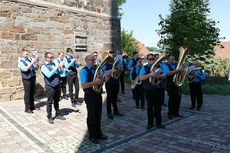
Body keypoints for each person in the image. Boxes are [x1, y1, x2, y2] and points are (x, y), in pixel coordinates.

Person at [79, 55, 108, 144]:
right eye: (92, 60)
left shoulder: (96, 69)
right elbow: (83, 85)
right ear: (86, 61)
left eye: (94, 60)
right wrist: (94, 82)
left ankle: (98, 133)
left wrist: (104, 79)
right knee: (92, 116)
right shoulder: (84, 71)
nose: (94, 62)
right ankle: (92, 135)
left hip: (97, 94)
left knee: (98, 115)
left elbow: (101, 79)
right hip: (90, 96)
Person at [140, 54, 165, 130]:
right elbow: (141, 78)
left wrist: (158, 76)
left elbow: (164, 75)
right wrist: (149, 75)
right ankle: (150, 124)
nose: (151, 60)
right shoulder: (144, 68)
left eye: (153, 59)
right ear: (147, 60)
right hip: (149, 90)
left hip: (158, 89)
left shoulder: (159, 66)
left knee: (158, 107)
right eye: (150, 59)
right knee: (150, 107)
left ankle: (158, 123)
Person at [41, 52, 66, 124]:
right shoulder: (43, 66)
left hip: (57, 84)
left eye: (52, 57)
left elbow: (60, 72)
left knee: (57, 100)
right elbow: (48, 75)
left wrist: (61, 67)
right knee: (49, 101)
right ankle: (49, 116)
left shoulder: (54, 64)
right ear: (46, 58)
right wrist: (56, 68)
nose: (52, 59)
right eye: (50, 57)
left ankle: (57, 113)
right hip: (50, 85)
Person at [18, 48, 39, 113]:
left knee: (32, 92)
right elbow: (25, 69)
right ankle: (27, 108)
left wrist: (37, 62)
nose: (28, 54)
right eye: (26, 54)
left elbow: (36, 69)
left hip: (32, 77)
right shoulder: (20, 62)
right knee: (27, 93)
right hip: (26, 79)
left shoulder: (29, 60)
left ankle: (32, 106)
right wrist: (32, 62)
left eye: (28, 53)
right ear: (22, 54)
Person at [162, 55, 184, 120]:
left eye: (174, 59)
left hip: (177, 84)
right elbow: (167, 73)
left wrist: (182, 72)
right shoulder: (165, 65)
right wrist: (177, 71)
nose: (173, 60)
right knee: (172, 99)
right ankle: (170, 114)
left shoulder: (175, 65)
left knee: (178, 98)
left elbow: (178, 73)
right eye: (172, 59)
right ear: (168, 60)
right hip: (170, 85)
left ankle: (176, 113)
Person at [103, 51, 123, 120]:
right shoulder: (105, 64)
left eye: (114, 56)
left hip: (115, 81)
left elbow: (120, 69)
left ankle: (116, 110)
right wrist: (112, 71)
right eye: (112, 56)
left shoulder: (116, 63)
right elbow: (104, 73)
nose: (113, 57)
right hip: (109, 82)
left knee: (115, 97)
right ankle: (109, 113)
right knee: (109, 98)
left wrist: (118, 68)